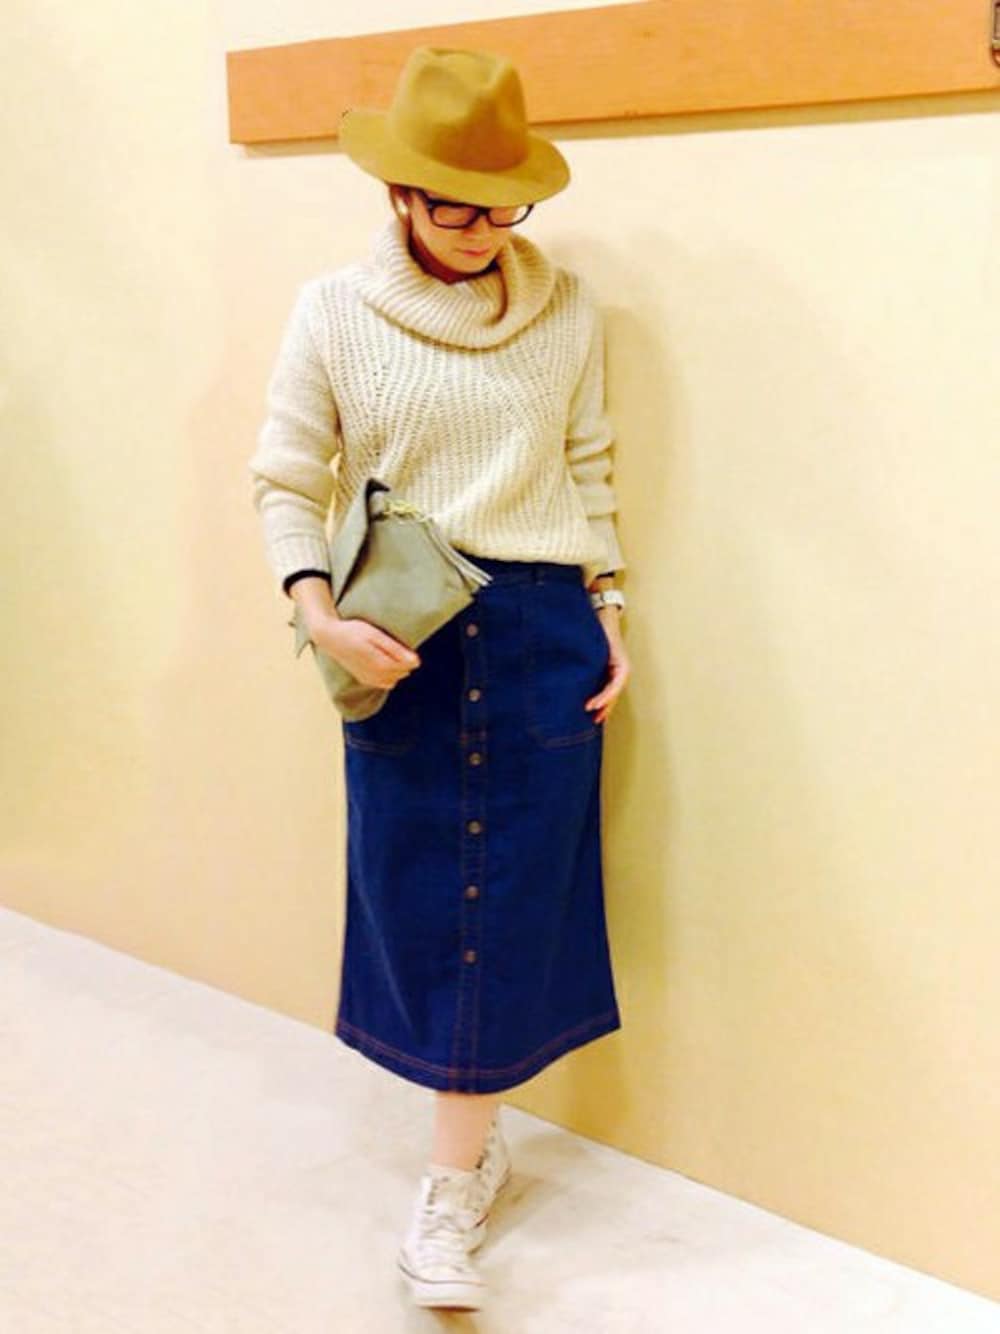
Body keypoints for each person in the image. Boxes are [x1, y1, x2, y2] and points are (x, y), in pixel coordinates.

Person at [247, 45, 631, 1312]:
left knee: (517, 898)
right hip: (403, 633)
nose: (482, 231)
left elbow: (586, 466)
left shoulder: (564, 307)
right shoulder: (332, 311)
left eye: (503, 207)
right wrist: (315, 612)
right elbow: (286, 474)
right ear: (398, 193)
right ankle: (464, 1161)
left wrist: (611, 612)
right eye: (456, 207)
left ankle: (453, 1174)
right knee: (421, 891)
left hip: (540, 626)